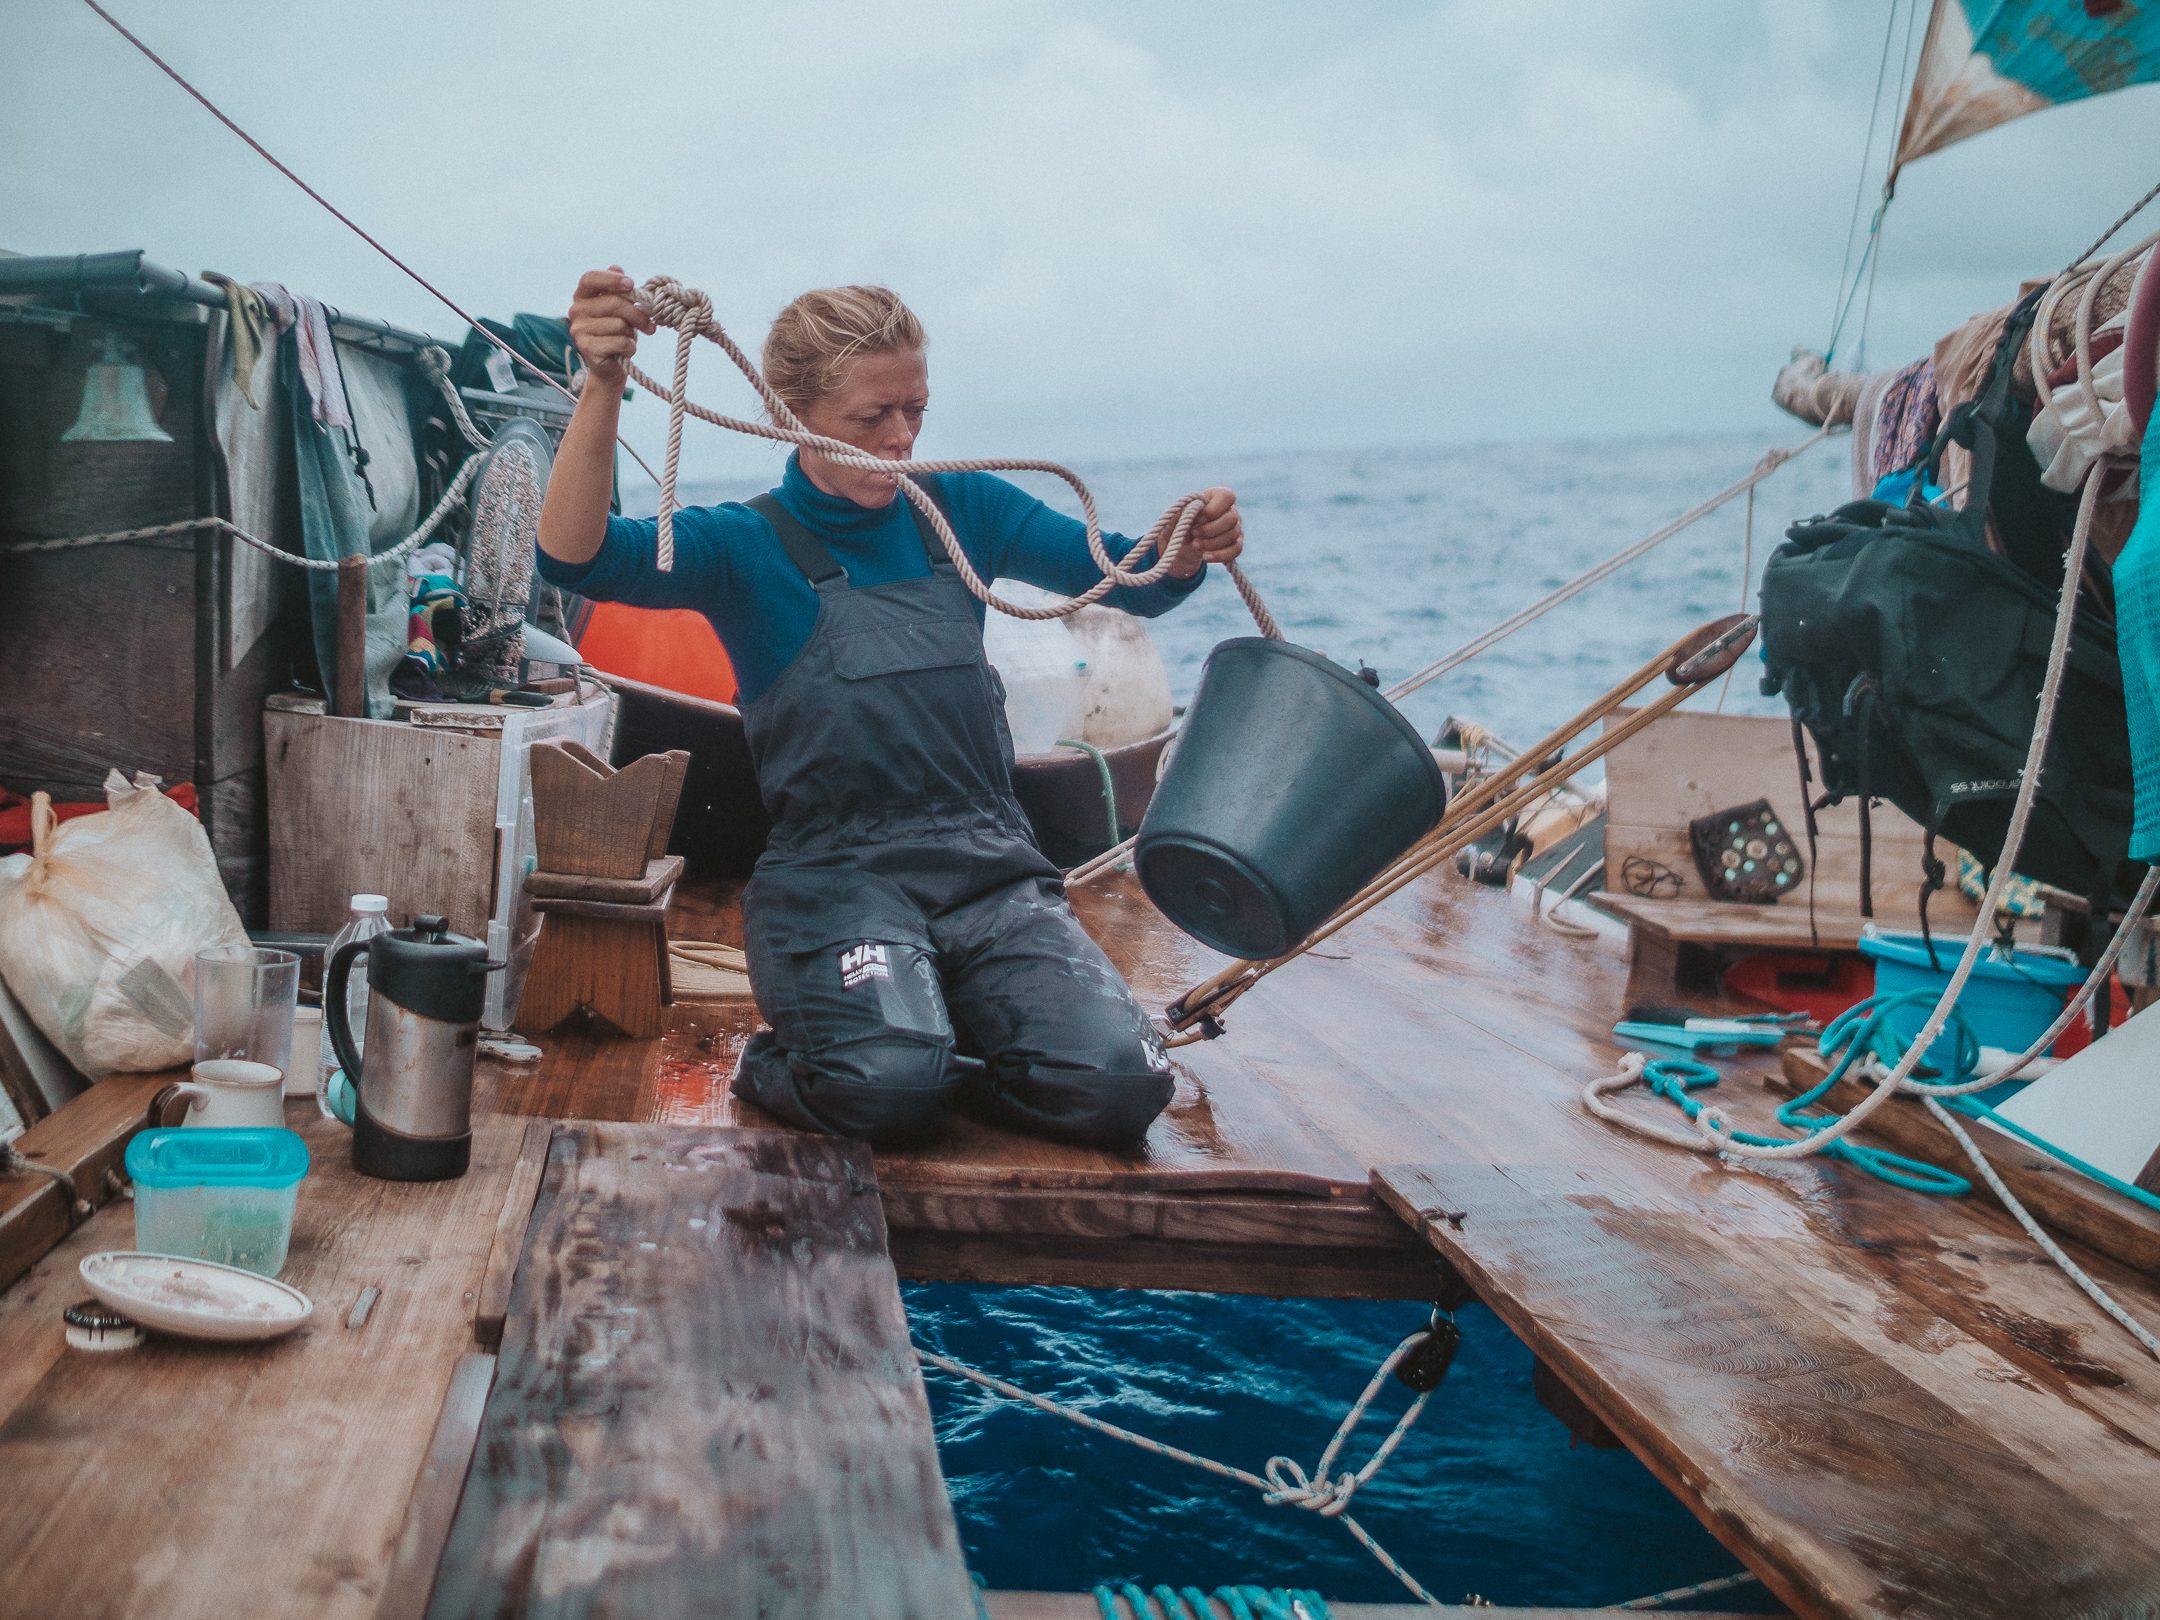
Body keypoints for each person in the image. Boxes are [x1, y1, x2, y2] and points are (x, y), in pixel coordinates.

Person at [536, 268, 1247, 1146]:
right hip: (838, 883)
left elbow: (1131, 583)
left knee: (1123, 1086)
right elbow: (578, 560)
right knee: (887, 1092)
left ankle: (935, 1049)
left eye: (915, 409)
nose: (903, 437)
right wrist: (603, 384)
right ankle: (806, 1061)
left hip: (990, 874)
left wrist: (1190, 547)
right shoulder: (743, 545)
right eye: (872, 418)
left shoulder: (966, 509)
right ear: (790, 413)